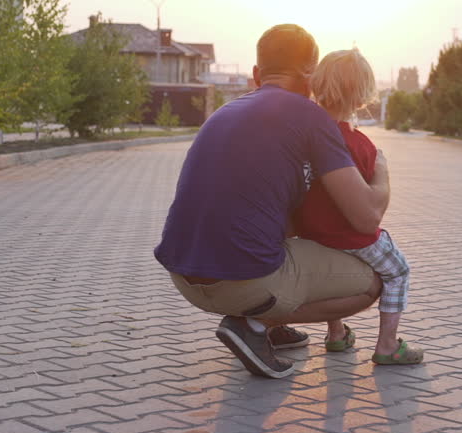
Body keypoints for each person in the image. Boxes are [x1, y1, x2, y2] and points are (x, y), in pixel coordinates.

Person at [154, 24, 390, 379]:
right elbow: (366, 218)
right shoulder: (311, 119)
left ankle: (270, 325)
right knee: (374, 280)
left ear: (255, 75)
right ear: (311, 74)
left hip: (182, 276)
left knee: (284, 229)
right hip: (241, 283)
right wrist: (382, 172)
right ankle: (256, 323)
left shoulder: (224, 113)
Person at [296, 49, 423, 365]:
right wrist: (383, 174)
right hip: (352, 238)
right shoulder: (360, 145)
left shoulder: (301, 137)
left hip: (311, 234)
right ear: (362, 95)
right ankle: (387, 344)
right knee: (398, 270)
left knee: (330, 281)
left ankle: (337, 333)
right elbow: (370, 204)